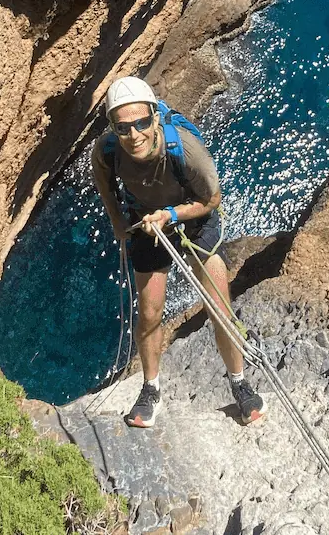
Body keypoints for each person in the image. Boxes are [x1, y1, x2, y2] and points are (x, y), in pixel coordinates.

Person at [91, 75, 267, 428]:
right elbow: (105, 186)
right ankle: (150, 389)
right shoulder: (106, 150)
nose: (134, 135)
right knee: (149, 313)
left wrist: (171, 215)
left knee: (219, 308)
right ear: (113, 127)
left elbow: (211, 199)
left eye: (142, 123)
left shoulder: (185, 149)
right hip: (146, 223)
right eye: (123, 128)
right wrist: (117, 221)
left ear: (155, 118)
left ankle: (239, 383)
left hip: (193, 220)